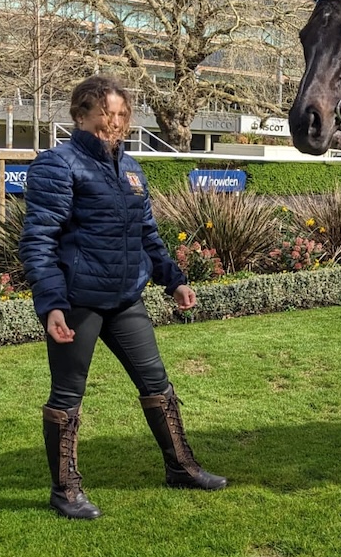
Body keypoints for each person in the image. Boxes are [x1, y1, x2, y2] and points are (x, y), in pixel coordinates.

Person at [19, 74, 226, 520]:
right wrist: (52, 304)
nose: (114, 123)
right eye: (105, 114)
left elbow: (147, 235)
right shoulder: (59, 164)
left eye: (121, 115)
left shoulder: (130, 167)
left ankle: (181, 468)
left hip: (126, 299)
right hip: (79, 302)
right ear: (80, 114)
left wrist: (175, 279)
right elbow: (39, 241)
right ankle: (65, 490)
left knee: (158, 386)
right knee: (67, 398)